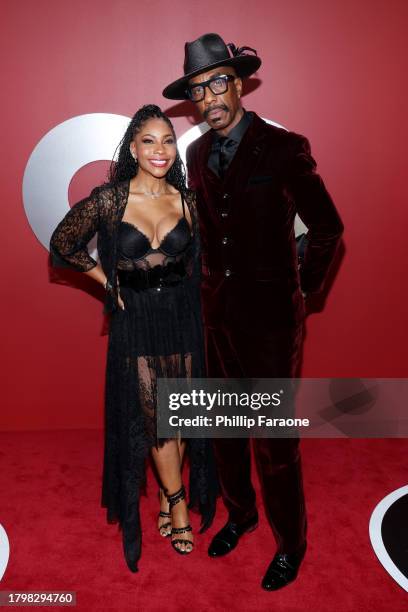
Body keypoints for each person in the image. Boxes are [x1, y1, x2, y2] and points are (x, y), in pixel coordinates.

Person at [163, 33, 344, 590]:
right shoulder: (194, 155)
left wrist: (301, 292)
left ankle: (292, 543)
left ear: (238, 83)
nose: (210, 96)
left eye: (217, 82)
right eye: (198, 89)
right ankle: (241, 515)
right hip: (216, 316)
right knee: (224, 429)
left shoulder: (285, 148)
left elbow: (328, 228)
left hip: (271, 322)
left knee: (273, 439)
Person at [49, 104, 217, 573]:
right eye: (149, 140)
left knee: (181, 414)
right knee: (156, 417)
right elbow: (64, 242)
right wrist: (107, 282)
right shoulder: (110, 200)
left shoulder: (188, 201)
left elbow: (204, 260)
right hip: (137, 320)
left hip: (182, 315)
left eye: (167, 140)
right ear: (132, 147)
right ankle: (179, 504)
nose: (159, 150)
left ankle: (166, 498)